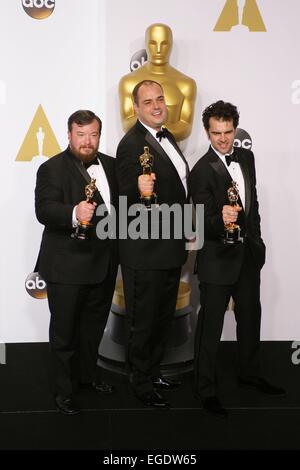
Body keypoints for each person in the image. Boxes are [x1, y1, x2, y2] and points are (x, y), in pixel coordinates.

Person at [189, 100, 285, 416]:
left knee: (250, 318)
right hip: (217, 258)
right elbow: (200, 220)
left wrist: (256, 241)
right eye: (216, 133)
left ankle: (250, 374)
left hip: (247, 255)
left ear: (235, 128)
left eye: (228, 132)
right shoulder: (201, 170)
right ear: (207, 131)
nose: (223, 139)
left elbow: (253, 203)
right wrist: (221, 218)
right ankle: (205, 389)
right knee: (210, 325)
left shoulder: (247, 157)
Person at [35, 110, 118, 415]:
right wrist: (73, 213)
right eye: (80, 134)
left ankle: (87, 376)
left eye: (93, 134)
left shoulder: (110, 164)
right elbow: (44, 210)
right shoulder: (51, 168)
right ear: (68, 135)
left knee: (92, 328)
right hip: (67, 266)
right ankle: (63, 390)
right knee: (64, 332)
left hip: (104, 263)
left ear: (99, 134)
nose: (87, 141)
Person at [116, 80, 189, 407]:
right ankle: (141, 381)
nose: (157, 105)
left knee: (160, 316)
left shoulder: (168, 135)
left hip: (170, 245)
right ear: (136, 108)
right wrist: (137, 185)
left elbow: (177, 188)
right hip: (144, 250)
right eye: (148, 102)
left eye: (160, 99)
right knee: (143, 319)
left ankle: (153, 369)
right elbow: (121, 195)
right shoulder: (130, 144)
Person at [119, 23, 197, 142]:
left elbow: (186, 127)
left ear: (170, 45)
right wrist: (159, 127)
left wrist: (157, 128)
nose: (159, 50)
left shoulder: (186, 84)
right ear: (146, 44)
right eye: (153, 43)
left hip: (173, 157)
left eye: (164, 44)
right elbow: (126, 124)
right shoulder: (128, 82)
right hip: (138, 154)